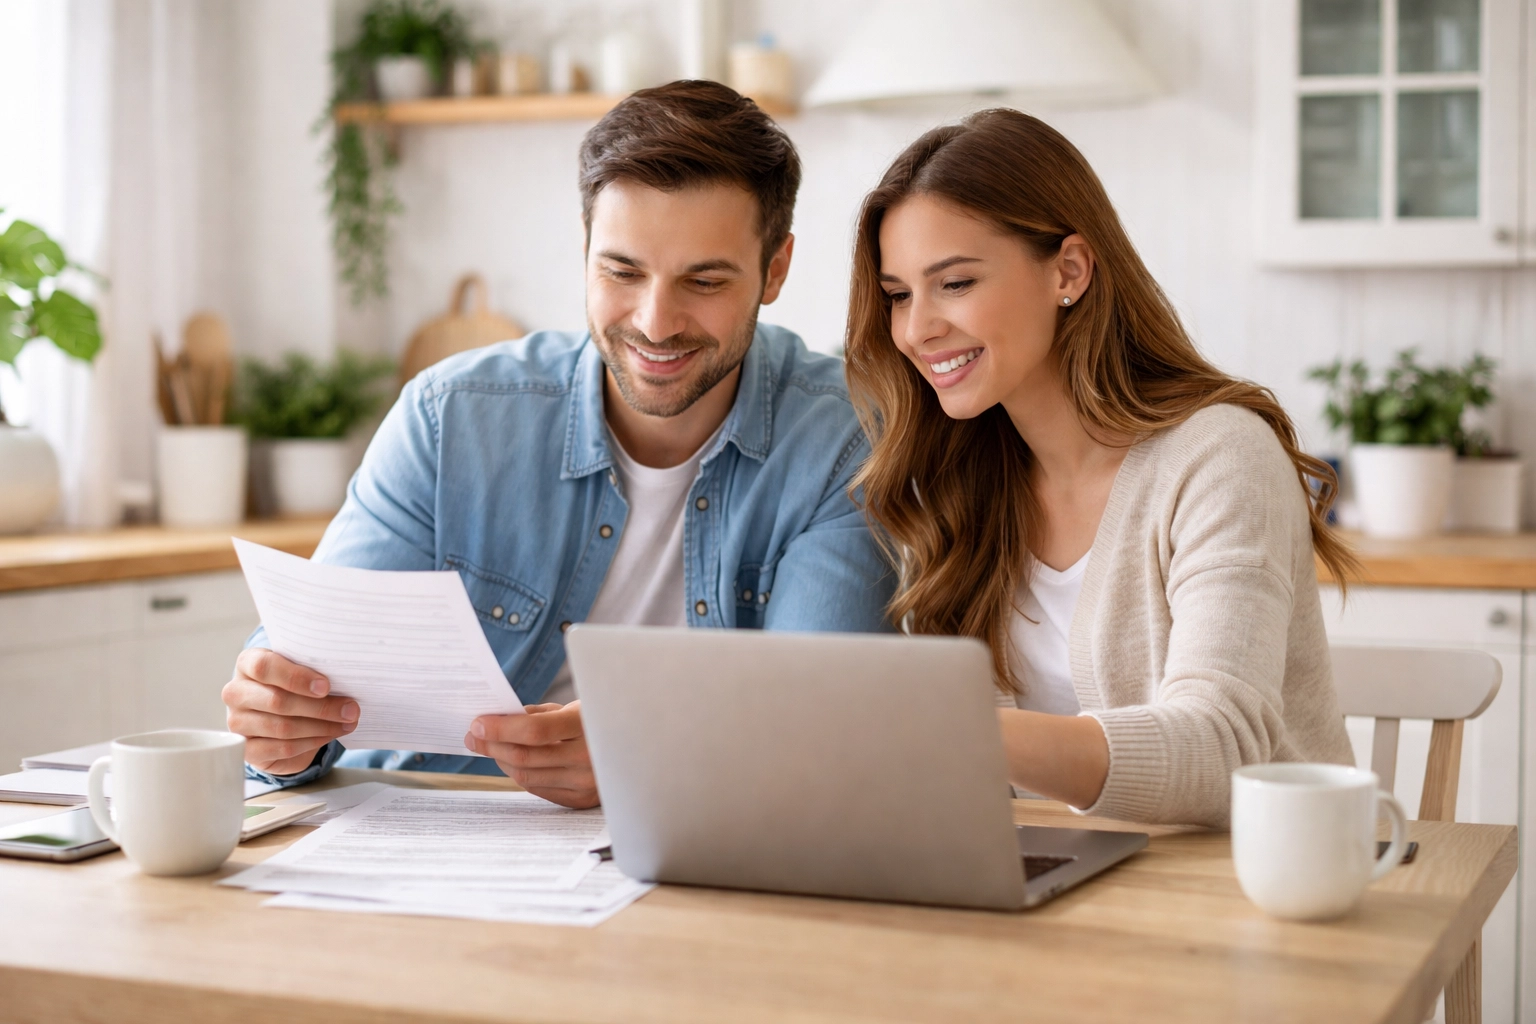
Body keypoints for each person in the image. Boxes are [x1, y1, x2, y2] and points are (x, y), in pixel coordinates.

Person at [223, 81, 892, 808]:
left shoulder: (843, 437)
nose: (656, 322)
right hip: (431, 846)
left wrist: (650, 757)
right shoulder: (450, 419)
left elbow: (827, 730)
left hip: (698, 857)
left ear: (776, 270)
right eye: (621, 271)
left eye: (703, 279)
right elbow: (310, 685)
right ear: (584, 248)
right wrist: (280, 732)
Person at [843, 109, 1355, 828]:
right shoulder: (963, 480)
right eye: (898, 295)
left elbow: (1219, 750)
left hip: (1248, 893)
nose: (916, 329)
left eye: (954, 283)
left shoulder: (1218, 458)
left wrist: (944, 726)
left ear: (1070, 271)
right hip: (1057, 893)